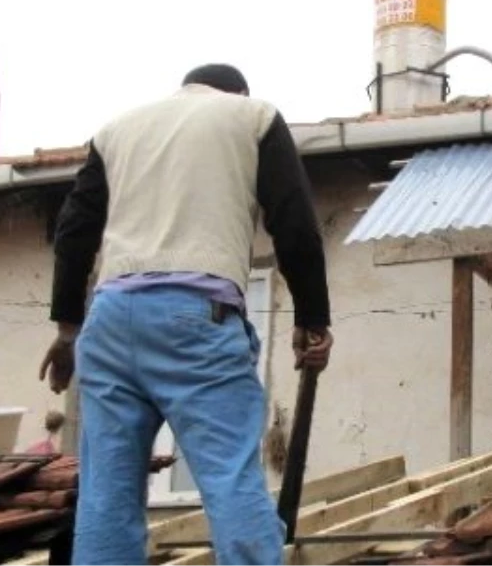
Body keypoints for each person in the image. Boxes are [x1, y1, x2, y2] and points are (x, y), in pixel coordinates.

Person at [39, 64, 333, 565]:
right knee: (229, 478)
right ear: (237, 92)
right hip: (196, 319)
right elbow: (294, 222)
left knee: (106, 495)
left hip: (109, 321)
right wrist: (312, 317)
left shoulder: (115, 131)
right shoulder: (253, 116)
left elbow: (73, 231)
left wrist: (69, 330)